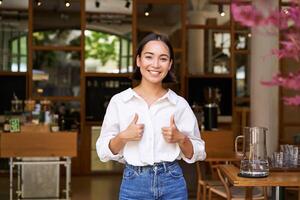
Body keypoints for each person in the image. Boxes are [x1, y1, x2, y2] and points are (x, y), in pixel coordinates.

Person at [96, 32, 206, 200]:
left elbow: (198, 152)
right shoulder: (120, 102)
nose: (155, 64)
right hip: (134, 184)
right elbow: (103, 151)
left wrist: (181, 138)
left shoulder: (179, 104)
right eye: (149, 57)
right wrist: (123, 137)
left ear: (169, 64)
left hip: (173, 183)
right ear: (138, 60)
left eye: (163, 59)